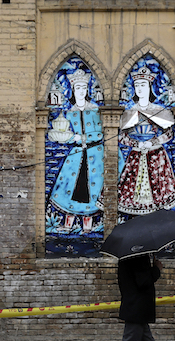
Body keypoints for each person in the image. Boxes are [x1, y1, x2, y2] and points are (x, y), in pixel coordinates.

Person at [48, 68, 104, 233]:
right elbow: (65, 132)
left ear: (87, 90)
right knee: (69, 188)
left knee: (90, 190)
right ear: (73, 90)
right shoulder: (69, 112)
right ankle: (68, 224)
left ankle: (88, 226)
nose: (81, 91)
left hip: (94, 155)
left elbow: (101, 132)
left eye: (83, 88)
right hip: (76, 155)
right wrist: (71, 138)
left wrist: (84, 138)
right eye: (78, 88)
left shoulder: (94, 109)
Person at [118, 66, 175, 216]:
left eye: (143, 85)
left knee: (158, 190)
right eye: (137, 85)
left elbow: (169, 133)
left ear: (149, 87)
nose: (139, 88)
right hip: (136, 155)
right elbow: (120, 136)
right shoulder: (129, 112)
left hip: (156, 155)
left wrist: (154, 142)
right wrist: (136, 144)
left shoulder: (159, 110)